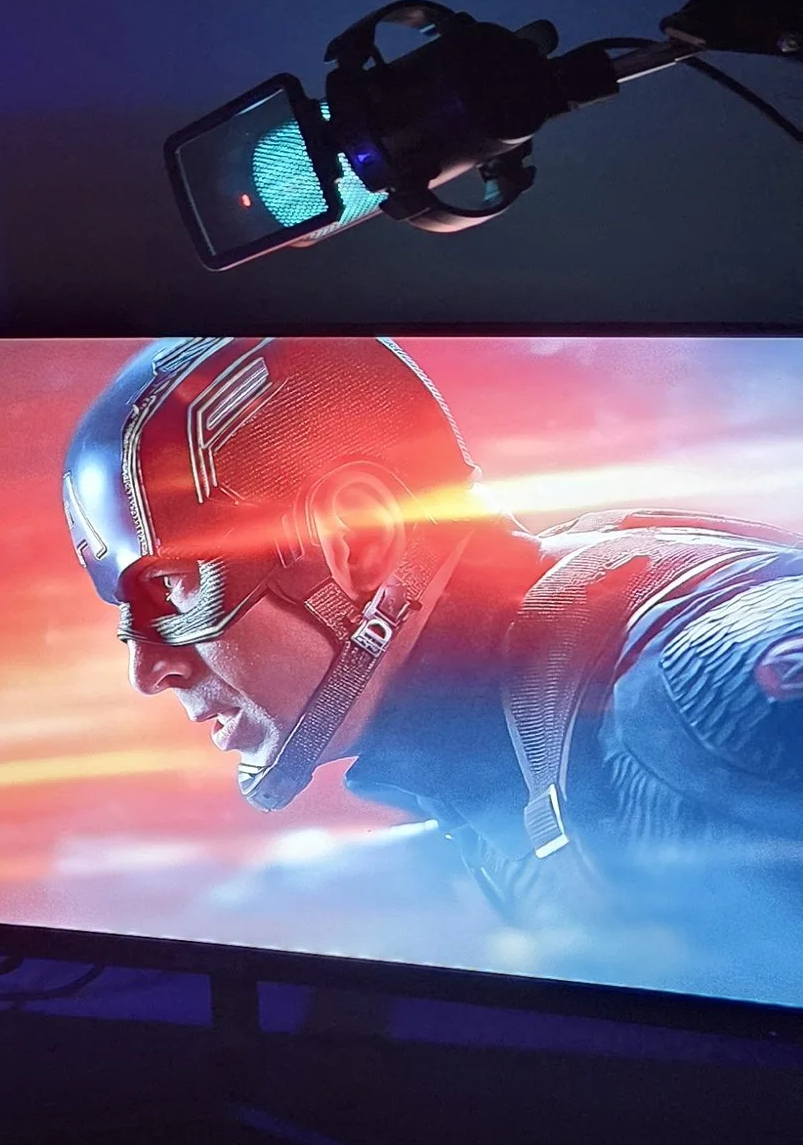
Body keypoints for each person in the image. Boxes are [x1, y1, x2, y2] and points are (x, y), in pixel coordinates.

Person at [61, 336, 803, 941]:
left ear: (358, 540)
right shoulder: (506, 732)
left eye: (174, 590)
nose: (149, 670)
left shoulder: (710, 683)